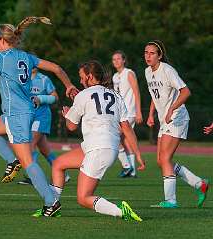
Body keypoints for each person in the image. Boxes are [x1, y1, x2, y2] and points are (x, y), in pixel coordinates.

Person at [0, 16, 78, 216]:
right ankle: (12, 161)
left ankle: (51, 202)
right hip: (19, 112)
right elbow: (57, 68)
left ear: (1, 39)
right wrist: (68, 85)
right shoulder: (26, 56)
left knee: (29, 162)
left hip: (17, 115)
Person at [47, 60, 145, 221]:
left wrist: (67, 114)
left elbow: (71, 126)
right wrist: (138, 155)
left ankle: (121, 211)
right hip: (104, 147)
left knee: (83, 198)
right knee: (59, 164)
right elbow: (126, 128)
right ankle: (51, 206)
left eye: (81, 77)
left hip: (98, 149)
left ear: (90, 76)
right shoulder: (115, 95)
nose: (79, 81)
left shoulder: (83, 95)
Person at [144, 40, 208, 208]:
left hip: (177, 117)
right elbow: (154, 94)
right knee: (161, 161)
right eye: (146, 52)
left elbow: (186, 91)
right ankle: (199, 184)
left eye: (152, 53)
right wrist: (151, 114)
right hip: (164, 120)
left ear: (160, 56)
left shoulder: (167, 70)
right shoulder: (147, 72)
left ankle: (171, 201)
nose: (148, 56)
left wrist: (172, 108)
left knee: (165, 159)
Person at [18, 68, 70, 185]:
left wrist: (41, 98)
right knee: (45, 150)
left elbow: (55, 97)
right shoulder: (22, 79)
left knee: (30, 143)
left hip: (41, 117)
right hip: (29, 117)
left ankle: (33, 177)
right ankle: (64, 175)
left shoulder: (43, 79)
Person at [112, 50, 143, 178]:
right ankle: (133, 171)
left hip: (129, 112)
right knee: (125, 141)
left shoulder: (129, 73)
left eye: (118, 59)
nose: (116, 61)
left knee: (114, 136)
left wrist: (139, 111)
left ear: (124, 60)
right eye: (114, 59)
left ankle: (126, 166)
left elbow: (137, 92)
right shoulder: (115, 76)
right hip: (120, 113)